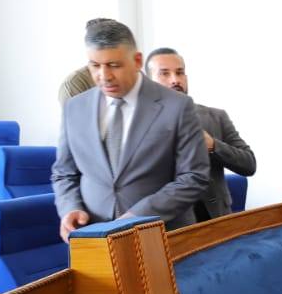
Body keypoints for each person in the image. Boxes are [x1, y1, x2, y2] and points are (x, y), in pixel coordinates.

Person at [52, 18, 209, 240]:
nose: (104, 76)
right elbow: (64, 173)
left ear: (137, 61)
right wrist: (70, 208)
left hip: (161, 234)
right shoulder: (74, 107)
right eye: (95, 65)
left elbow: (194, 176)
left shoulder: (177, 105)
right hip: (92, 238)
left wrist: (138, 216)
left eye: (114, 65)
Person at [146, 47, 257, 220]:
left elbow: (249, 164)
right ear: (149, 81)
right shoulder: (139, 125)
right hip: (167, 225)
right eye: (164, 73)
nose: (175, 80)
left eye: (180, 72)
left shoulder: (216, 117)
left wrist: (213, 145)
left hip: (214, 221)